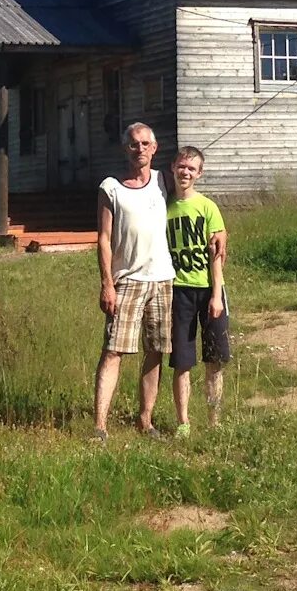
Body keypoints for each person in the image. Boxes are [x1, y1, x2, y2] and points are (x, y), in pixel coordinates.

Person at [92, 121, 175, 441]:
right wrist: (107, 283)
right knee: (114, 351)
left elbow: (193, 196)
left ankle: (146, 420)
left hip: (162, 280)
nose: (139, 149)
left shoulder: (162, 181)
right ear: (124, 149)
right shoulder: (111, 187)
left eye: (145, 144)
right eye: (133, 144)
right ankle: (100, 425)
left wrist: (218, 231)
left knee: (155, 351)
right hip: (126, 281)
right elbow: (103, 238)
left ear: (154, 148)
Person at [165, 144, 229, 436]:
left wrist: (216, 295)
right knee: (182, 360)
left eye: (191, 168)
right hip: (178, 291)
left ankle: (214, 421)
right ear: (172, 168)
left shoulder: (207, 207)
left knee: (214, 359)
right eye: (182, 166)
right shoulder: (164, 208)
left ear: (199, 174)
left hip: (209, 290)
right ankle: (184, 422)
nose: (185, 172)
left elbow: (217, 255)